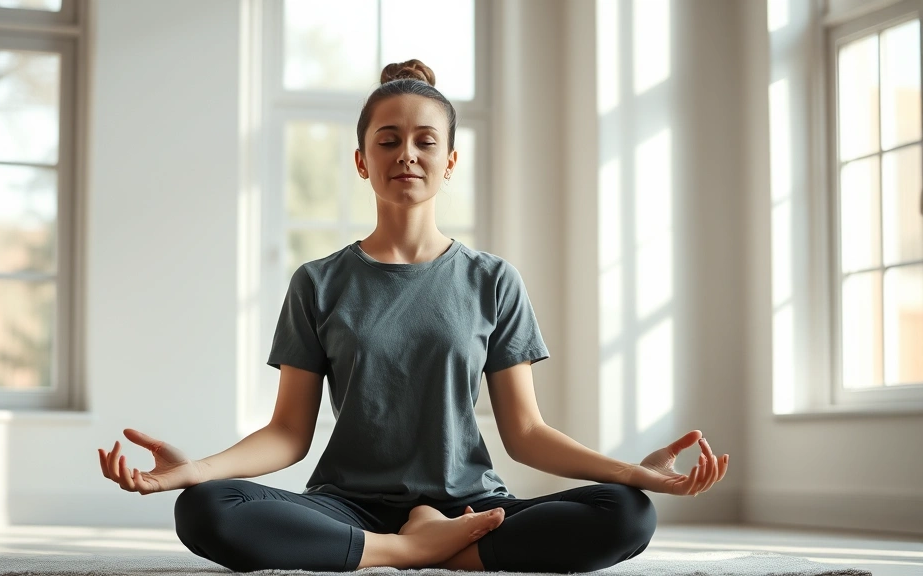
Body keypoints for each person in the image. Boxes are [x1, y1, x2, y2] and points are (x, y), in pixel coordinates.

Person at [98, 59, 729, 574]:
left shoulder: (493, 281)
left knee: (626, 514)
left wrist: (635, 474)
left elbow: (526, 434)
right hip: (347, 505)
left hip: (472, 502)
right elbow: (289, 432)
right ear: (361, 159)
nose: (408, 154)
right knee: (207, 510)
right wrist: (194, 470)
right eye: (389, 139)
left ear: (450, 160)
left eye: (427, 141)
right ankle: (412, 551)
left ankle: (445, 543)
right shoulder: (317, 282)